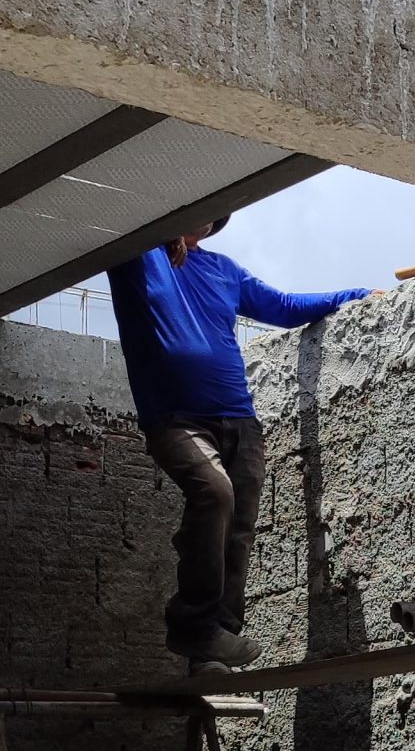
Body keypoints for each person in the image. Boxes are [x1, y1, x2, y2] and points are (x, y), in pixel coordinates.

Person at [108, 223, 367, 670]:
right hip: (174, 418)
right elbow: (119, 215)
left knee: (239, 529)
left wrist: (356, 294)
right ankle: (195, 625)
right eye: (203, 210)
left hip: (239, 419)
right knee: (214, 492)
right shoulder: (138, 251)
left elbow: (283, 307)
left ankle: (214, 643)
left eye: (217, 216)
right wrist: (159, 229)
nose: (208, 221)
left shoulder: (224, 269)